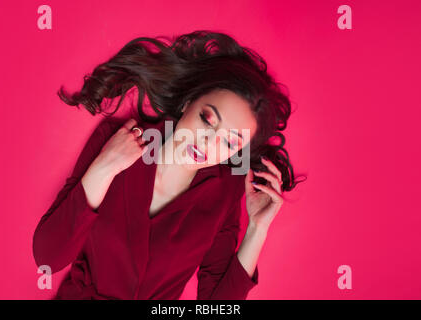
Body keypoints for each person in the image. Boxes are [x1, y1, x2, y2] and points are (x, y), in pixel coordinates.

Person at [33, 30, 305, 300]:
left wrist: (257, 229)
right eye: (208, 120)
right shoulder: (117, 139)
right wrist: (105, 167)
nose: (208, 143)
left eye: (230, 143)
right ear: (188, 103)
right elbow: (48, 257)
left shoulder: (226, 191)